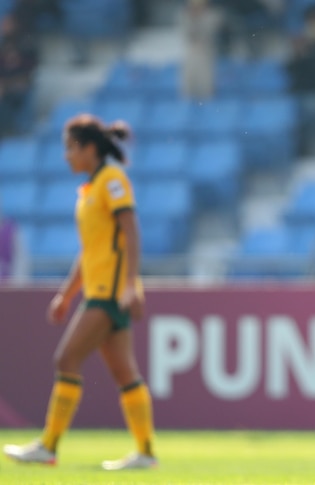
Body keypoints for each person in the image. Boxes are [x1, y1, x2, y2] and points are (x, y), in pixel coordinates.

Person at [3, 114, 157, 470]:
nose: (66, 156)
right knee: (124, 373)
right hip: (100, 289)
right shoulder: (90, 190)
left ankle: (49, 446)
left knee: (66, 360)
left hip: (110, 293)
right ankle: (146, 453)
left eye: (71, 148)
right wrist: (66, 294)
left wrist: (132, 286)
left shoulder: (112, 181)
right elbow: (90, 252)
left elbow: (131, 233)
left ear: (90, 149)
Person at [180, 0, 220, 99]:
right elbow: (187, 33)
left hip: (205, 56)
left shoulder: (212, 17)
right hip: (192, 57)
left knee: (206, 88)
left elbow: (209, 32)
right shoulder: (186, 17)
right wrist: (192, 18)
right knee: (188, 90)